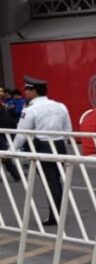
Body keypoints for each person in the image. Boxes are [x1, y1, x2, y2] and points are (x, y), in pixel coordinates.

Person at [12, 76, 72, 226]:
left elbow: (22, 133)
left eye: (27, 89)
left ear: (34, 91)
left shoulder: (31, 109)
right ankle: (57, 213)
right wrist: (61, 144)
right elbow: (68, 130)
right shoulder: (60, 106)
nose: (25, 92)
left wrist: (12, 151)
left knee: (50, 182)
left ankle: (55, 216)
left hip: (43, 146)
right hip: (59, 146)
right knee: (55, 180)